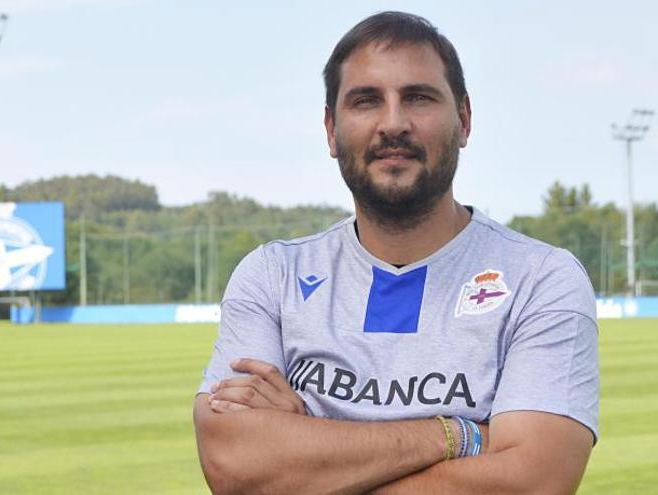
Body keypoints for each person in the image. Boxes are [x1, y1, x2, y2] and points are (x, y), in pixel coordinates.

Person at [193, 11, 598, 495]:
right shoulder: (272, 274)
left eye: (418, 98)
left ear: (464, 120)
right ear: (331, 130)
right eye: (366, 101)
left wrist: (305, 446)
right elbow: (233, 463)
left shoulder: (540, 278)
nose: (393, 123)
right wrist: (461, 435)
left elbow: (534, 483)